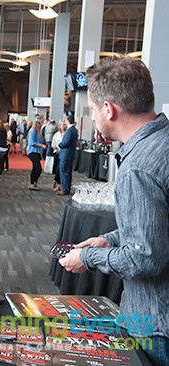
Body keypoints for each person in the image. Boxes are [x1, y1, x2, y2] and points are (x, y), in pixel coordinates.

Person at [60, 57, 169, 366]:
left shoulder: (139, 167)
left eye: (93, 110)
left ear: (108, 109)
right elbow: (159, 225)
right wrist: (109, 239)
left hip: (154, 323)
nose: (94, 118)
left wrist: (86, 257)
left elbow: (146, 255)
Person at [56, 115, 78, 196]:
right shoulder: (74, 130)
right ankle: (67, 188)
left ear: (67, 121)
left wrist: (60, 144)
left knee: (64, 171)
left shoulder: (70, 130)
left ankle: (65, 189)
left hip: (66, 154)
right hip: (70, 154)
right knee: (68, 172)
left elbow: (66, 142)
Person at [26, 118, 47, 190]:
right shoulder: (33, 131)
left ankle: (34, 183)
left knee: (35, 168)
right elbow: (32, 142)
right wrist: (41, 145)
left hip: (37, 152)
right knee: (38, 168)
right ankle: (33, 183)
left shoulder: (38, 132)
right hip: (33, 152)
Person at [50, 121, 67, 192]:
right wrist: (54, 147)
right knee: (57, 169)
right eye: (61, 125)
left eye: (63, 125)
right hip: (56, 153)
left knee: (59, 169)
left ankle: (55, 182)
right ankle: (58, 184)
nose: (62, 126)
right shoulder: (56, 134)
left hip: (63, 153)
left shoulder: (66, 134)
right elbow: (52, 144)